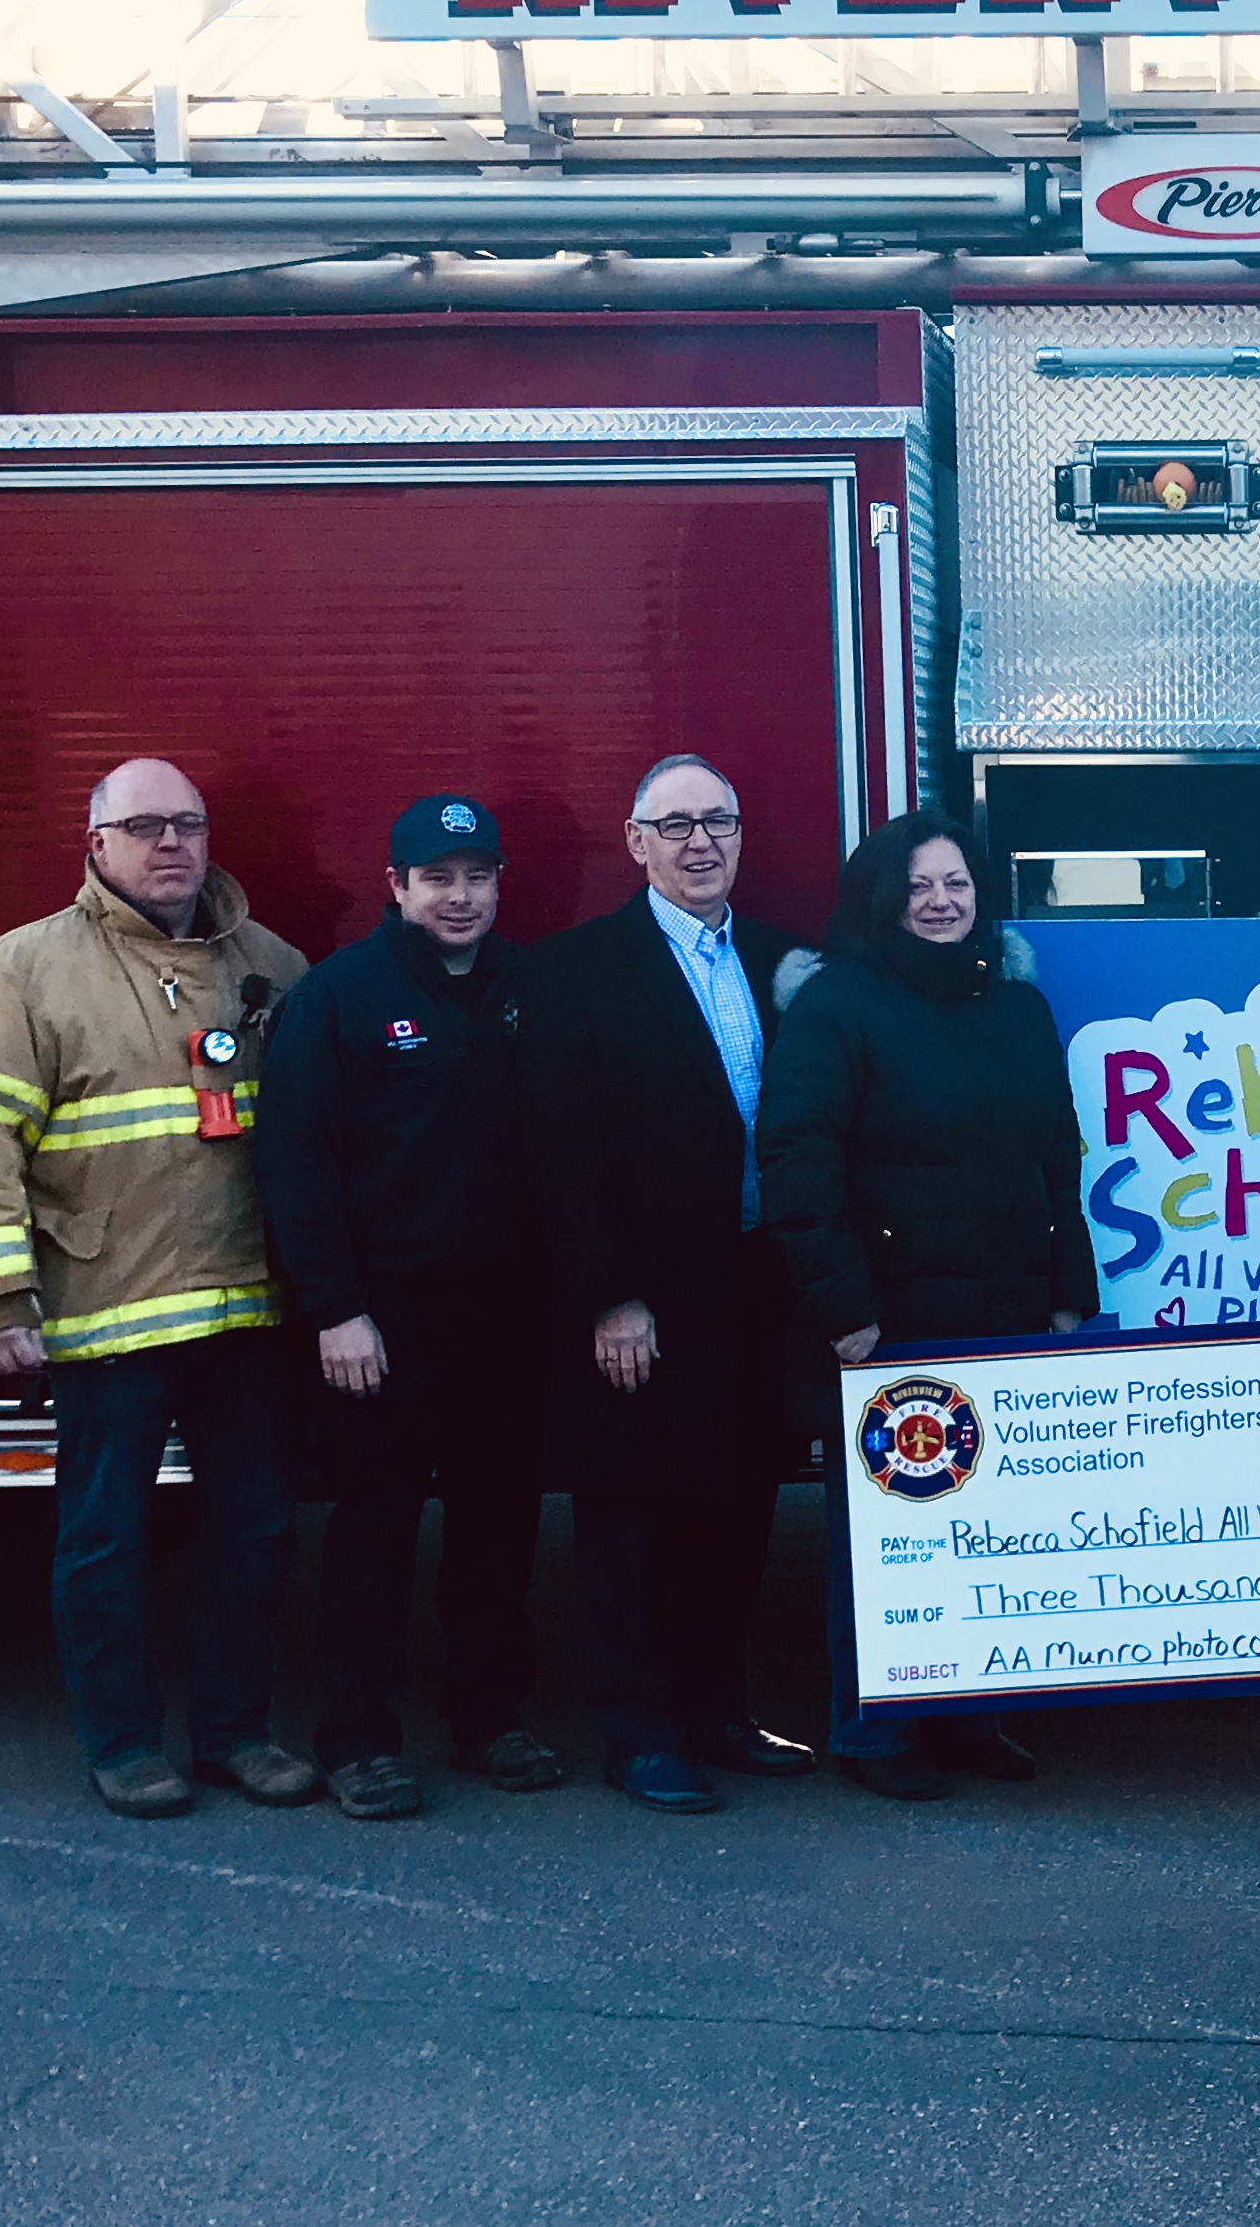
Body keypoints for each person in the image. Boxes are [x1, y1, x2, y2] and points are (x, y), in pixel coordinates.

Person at [0, 758, 315, 1820]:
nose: (171, 843)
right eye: (144, 826)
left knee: (255, 1533)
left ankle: (236, 1734)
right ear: (96, 844)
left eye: (187, 822)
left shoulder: (270, 962)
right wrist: (0, 1301)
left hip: (246, 1311)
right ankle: (125, 1744)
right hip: (108, 1316)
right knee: (108, 1541)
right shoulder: (21, 972)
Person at [758, 808, 1089, 1802]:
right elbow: (796, 1163)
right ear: (879, 901)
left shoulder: (1016, 1008)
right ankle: (872, 1733)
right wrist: (843, 1309)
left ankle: (971, 1716)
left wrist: (1068, 1290)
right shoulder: (837, 1007)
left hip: (1004, 1310)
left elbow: (1054, 1160)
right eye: (918, 888)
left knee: (987, 1525)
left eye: (956, 884)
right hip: (889, 1320)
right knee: (889, 1535)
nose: (941, 903)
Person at [521, 756, 826, 1814]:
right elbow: (560, 1151)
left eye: (719, 822)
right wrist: (609, 1294)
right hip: (641, 1304)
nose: (702, 842)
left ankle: (718, 1715)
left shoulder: (787, 961)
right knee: (630, 1525)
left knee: (738, 1514)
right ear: (635, 841)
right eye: (677, 824)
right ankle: (639, 1732)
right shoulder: (576, 972)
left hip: (753, 1289)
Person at [254, 794, 563, 1822]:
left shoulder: (528, 987)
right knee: (373, 1534)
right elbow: (296, 1165)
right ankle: (356, 1738)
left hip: (506, 1324)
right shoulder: (340, 997)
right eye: (438, 877)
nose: (461, 896)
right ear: (396, 886)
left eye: (477, 875)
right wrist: (335, 1310)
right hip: (381, 1329)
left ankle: (489, 1719)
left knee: (497, 1526)